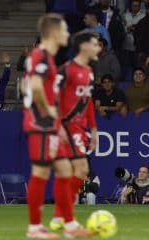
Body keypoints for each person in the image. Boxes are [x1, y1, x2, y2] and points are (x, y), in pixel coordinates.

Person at [21, 13, 69, 240]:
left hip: (48, 124)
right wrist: (49, 112)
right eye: (65, 30)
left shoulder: (44, 56)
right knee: (40, 173)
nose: (67, 34)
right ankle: (35, 227)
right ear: (54, 33)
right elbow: (37, 86)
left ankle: (66, 222)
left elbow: (25, 84)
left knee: (64, 169)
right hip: (40, 123)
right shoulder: (41, 55)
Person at [49, 31, 100, 238]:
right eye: (95, 44)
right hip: (65, 125)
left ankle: (60, 216)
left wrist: (94, 129)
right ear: (84, 47)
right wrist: (58, 125)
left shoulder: (89, 72)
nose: (98, 48)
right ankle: (67, 222)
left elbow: (86, 103)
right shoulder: (66, 71)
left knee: (74, 172)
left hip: (79, 128)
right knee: (80, 169)